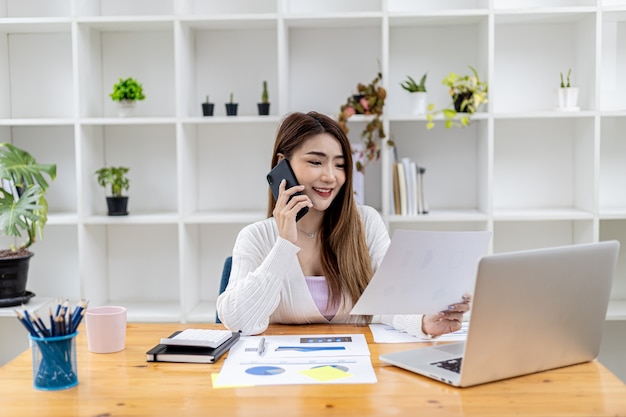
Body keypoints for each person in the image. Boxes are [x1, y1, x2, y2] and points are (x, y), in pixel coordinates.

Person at [216, 111, 470, 336]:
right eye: (315, 162)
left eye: (339, 165)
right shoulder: (256, 237)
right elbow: (240, 323)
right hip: (283, 377)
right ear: (282, 164)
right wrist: (284, 244)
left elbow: (391, 300)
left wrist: (425, 322)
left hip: (357, 372)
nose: (330, 177)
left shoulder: (366, 223)